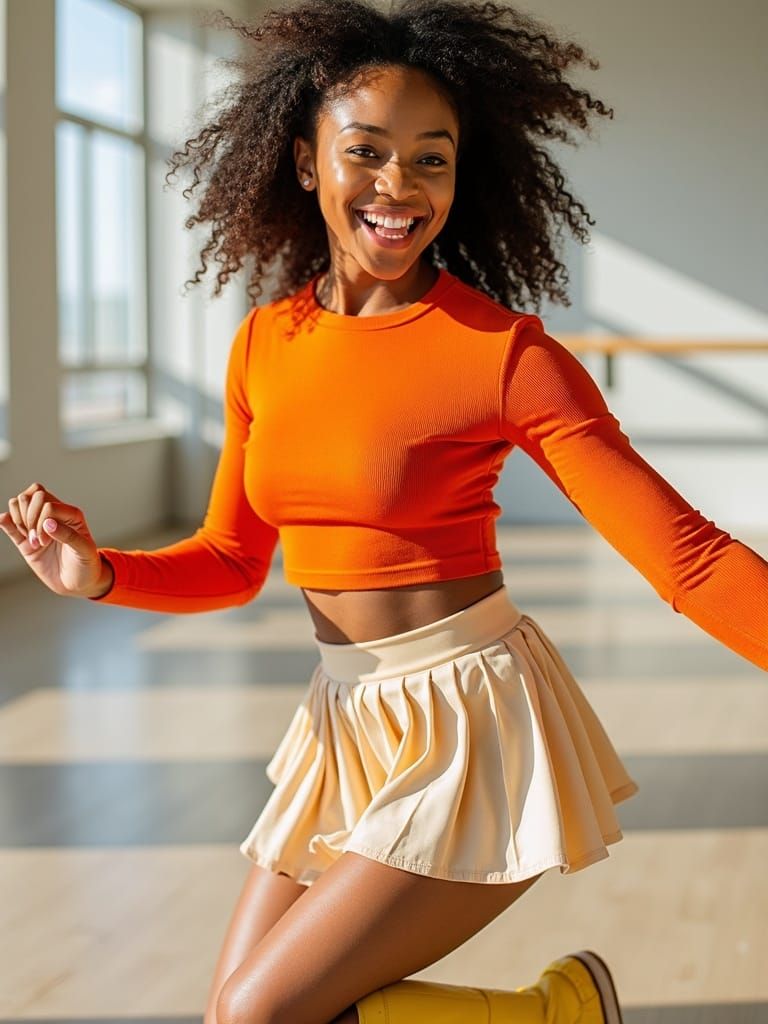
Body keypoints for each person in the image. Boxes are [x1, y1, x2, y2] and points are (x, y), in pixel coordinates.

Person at [2, 0, 766, 1021]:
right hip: (345, 721)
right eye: (366, 152)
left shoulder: (503, 354)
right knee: (237, 1010)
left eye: (431, 160)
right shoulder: (264, 343)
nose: (398, 187)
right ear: (308, 162)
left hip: (470, 724)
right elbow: (232, 560)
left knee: (258, 1012)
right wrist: (99, 574)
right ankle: (553, 1014)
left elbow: (690, 560)